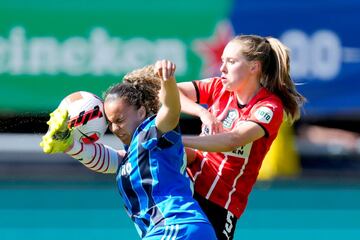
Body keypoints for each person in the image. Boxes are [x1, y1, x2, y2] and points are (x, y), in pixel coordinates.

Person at [40, 60, 217, 240]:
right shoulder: (132, 155)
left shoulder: (154, 133)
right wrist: (69, 144)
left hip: (175, 227)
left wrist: (168, 81)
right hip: (177, 230)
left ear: (141, 112)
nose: (115, 128)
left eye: (120, 120)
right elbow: (107, 160)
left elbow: (171, 109)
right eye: (110, 123)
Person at [176, 35, 306, 239]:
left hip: (220, 203)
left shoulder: (268, 108)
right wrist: (202, 113)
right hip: (190, 186)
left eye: (231, 61)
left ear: (254, 67)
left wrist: (178, 140)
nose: (222, 68)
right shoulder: (219, 87)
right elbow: (170, 93)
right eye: (222, 60)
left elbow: (232, 140)